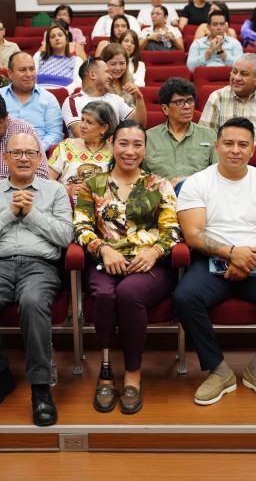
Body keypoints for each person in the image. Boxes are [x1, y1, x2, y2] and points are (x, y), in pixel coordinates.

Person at [173, 117, 256, 406]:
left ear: (253, 149)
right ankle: (218, 370)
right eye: (229, 143)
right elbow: (193, 235)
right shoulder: (197, 182)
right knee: (184, 298)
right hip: (211, 261)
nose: (235, 150)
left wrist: (247, 259)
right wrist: (231, 253)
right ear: (216, 146)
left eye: (243, 144)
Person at [0, 132, 73, 427]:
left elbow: (66, 236)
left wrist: (31, 213)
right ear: (5, 158)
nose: (23, 158)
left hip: (41, 265)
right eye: (16, 153)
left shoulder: (55, 191)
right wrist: (10, 213)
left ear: (40, 159)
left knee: (33, 301)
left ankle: (40, 387)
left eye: (30, 153)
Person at [74, 120, 181, 414]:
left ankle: (133, 372)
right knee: (105, 294)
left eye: (137, 144)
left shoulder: (159, 184)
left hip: (150, 264)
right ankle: (106, 368)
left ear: (145, 149)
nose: (130, 151)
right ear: (111, 145)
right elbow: (81, 226)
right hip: (105, 261)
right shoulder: (93, 184)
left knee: (129, 293)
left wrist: (154, 252)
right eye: (123, 143)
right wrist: (104, 249)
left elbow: (172, 230)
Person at [198, 54, 256, 144]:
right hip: (228, 152)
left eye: (244, 74)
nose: (236, 78)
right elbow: (205, 135)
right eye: (234, 72)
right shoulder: (217, 97)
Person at [143, 77, 217, 190]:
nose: (187, 106)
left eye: (190, 101)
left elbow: (218, 173)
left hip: (199, 194)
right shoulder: (149, 138)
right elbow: (140, 176)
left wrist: (188, 180)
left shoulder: (210, 136)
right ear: (165, 109)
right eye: (180, 102)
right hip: (159, 196)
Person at [48, 101, 118, 198]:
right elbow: (46, 177)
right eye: (82, 120)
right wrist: (66, 190)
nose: (82, 126)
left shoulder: (115, 151)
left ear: (104, 128)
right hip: (68, 203)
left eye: (89, 122)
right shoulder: (66, 146)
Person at [0, 52, 63, 151]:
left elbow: (55, 134)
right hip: (3, 153)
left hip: (39, 153)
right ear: (10, 73)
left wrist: (35, 149)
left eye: (32, 69)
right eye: (22, 70)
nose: (28, 74)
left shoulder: (48, 98)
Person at [62, 58, 146, 137]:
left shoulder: (115, 98)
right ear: (92, 75)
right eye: (106, 72)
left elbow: (138, 124)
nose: (110, 77)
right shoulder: (73, 101)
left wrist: (139, 98)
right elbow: (82, 135)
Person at [32, 23, 82, 91]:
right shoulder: (39, 56)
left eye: (60, 35)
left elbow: (78, 83)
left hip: (64, 95)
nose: (57, 38)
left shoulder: (77, 60)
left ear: (67, 40)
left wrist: (60, 93)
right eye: (52, 37)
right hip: (39, 94)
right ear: (49, 42)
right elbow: (31, 78)